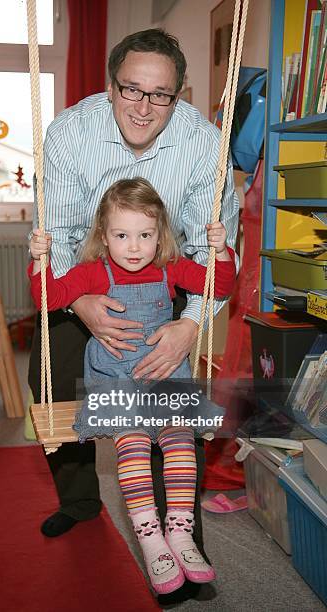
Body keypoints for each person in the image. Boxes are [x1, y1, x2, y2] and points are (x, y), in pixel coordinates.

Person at [28, 28, 239, 580]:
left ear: (180, 94)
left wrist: (188, 329)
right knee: (50, 370)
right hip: (88, 275)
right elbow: (65, 236)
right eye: (131, 90)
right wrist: (86, 306)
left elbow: (211, 253)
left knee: (174, 402)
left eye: (161, 95)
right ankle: (79, 501)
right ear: (110, 84)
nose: (144, 108)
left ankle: (182, 532)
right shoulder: (70, 134)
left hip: (163, 283)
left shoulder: (203, 148)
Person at [29, 178, 236, 594]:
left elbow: (221, 285)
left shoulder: (169, 269)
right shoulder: (93, 272)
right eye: (122, 235)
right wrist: (39, 261)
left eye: (145, 235)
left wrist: (222, 250)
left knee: (180, 444)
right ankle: (150, 537)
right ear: (104, 238)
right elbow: (46, 298)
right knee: (135, 447)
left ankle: (179, 531)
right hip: (117, 383)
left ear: (159, 237)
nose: (135, 247)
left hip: (163, 381)